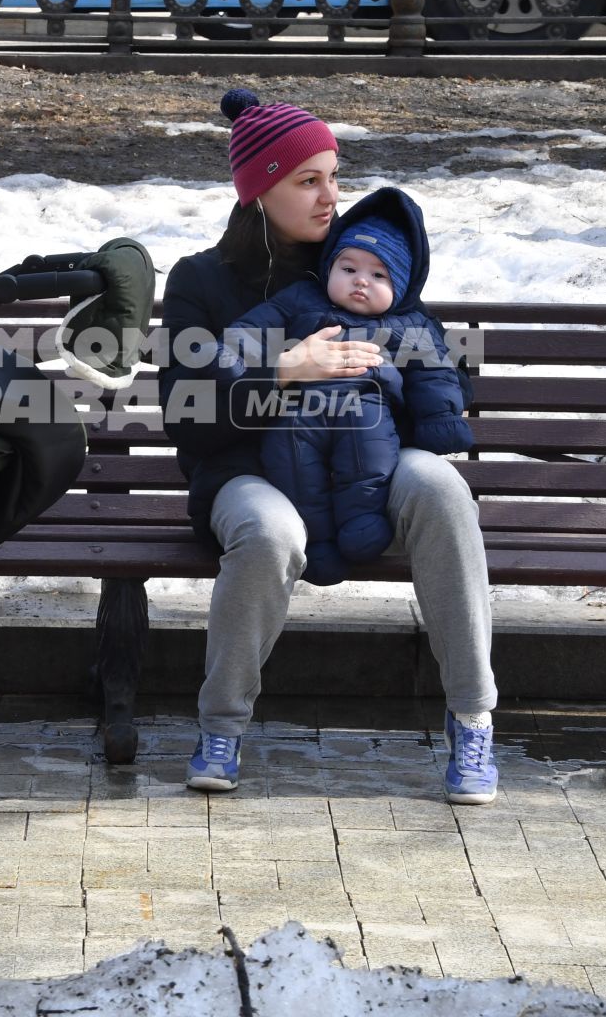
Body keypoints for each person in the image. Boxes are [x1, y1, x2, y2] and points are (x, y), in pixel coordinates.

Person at [156, 88, 498, 803]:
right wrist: (282, 372)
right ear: (258, 191)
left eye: (334, 176)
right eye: (308, 180)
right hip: (245, 471)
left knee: (440, 490)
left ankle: (473, 720)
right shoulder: (200, 282)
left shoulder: (360, 262)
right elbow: (187, 416)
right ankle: (221, 728)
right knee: (271, 532)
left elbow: (426, 357)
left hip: (364, 463)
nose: (330, 197)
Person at [224, 181, 472, 587]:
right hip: (298, 412)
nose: (361, 281)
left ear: (401, 287)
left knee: (370, 463)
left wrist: (439, 420)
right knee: (294, 468)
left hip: (367, 412)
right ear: (329, 269)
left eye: (379, 275)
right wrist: (241, 350)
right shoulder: (303, 299)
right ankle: (318, 543)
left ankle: (362, 522)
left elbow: (435, 373)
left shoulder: (407, 322)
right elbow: (253, 329)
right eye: (349, 268)